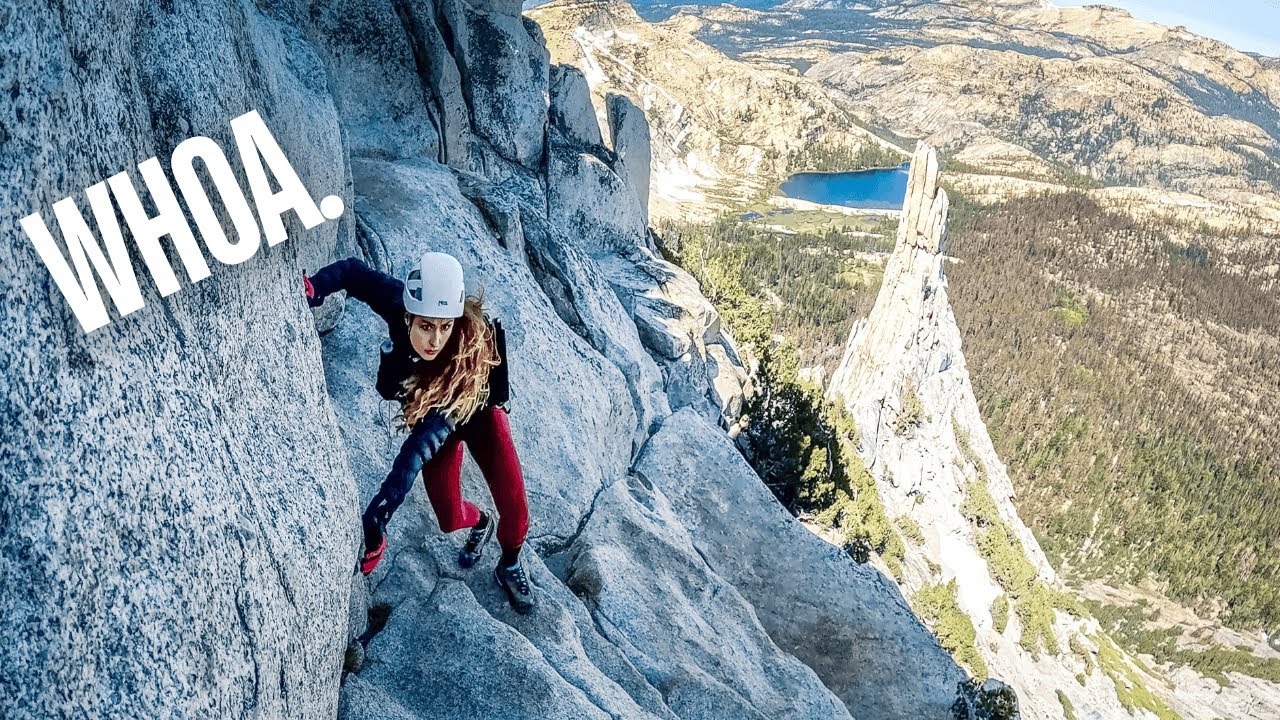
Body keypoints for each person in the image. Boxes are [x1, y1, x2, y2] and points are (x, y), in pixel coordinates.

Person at [304, 251, 535, 613]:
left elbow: (414, 455)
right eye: (426, 326)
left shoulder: (465, 361)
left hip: (477, 413)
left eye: (445, 327)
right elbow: (354, 272)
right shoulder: (399, 305)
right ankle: (482, 521)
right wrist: (315, 287)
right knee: (449, 519)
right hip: (437, 419)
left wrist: (378, 516)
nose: (435, 339)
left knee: (516, 509)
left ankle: (508, 564)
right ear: (409, 315)